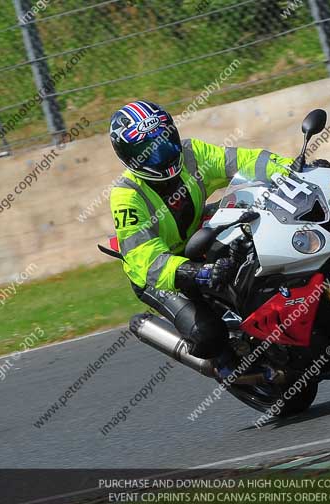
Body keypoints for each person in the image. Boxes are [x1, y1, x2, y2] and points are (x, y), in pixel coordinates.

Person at [108, 100, 293, 380]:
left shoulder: (192, 154)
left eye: (165, 142)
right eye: (149, 152)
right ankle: (225, 366)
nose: (162, 156)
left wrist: (291, 169)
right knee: (207, 335)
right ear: (128, 157)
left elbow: (243, 160)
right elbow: (146, 259)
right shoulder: (126, 196)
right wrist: (196, 272)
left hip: (200, 234)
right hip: (159, 272)